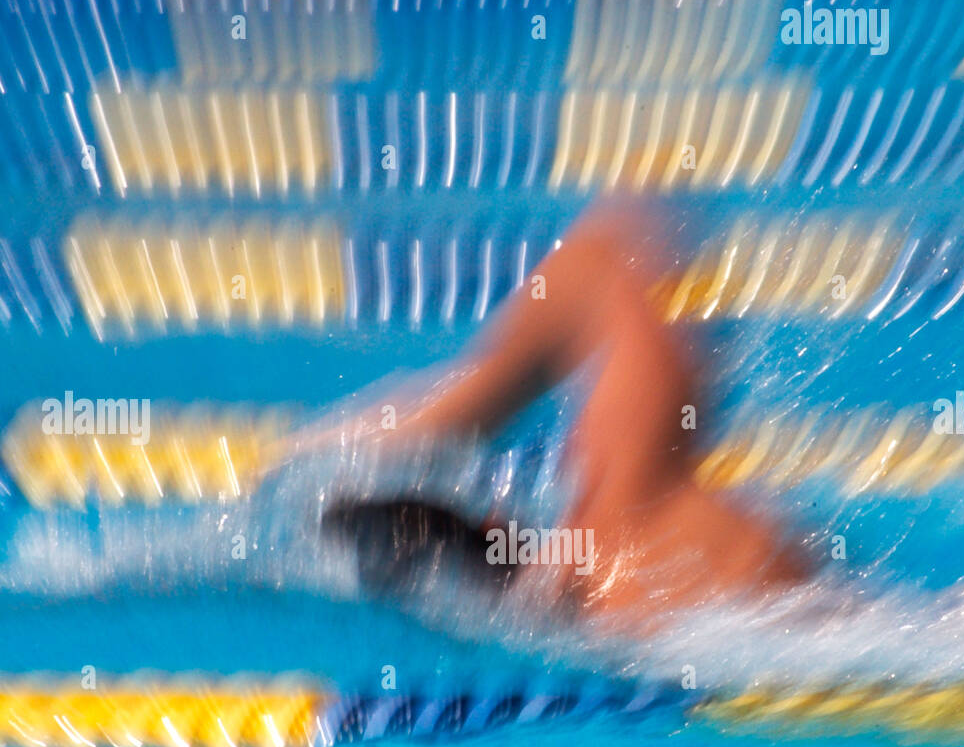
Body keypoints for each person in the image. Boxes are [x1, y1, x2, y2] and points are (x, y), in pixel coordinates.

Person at [307, 205, 809, 633]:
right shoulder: (636, 521)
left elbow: (605, 260)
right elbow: (610, 257)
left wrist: (442, 419)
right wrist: (445, 420)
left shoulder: (623, 538)